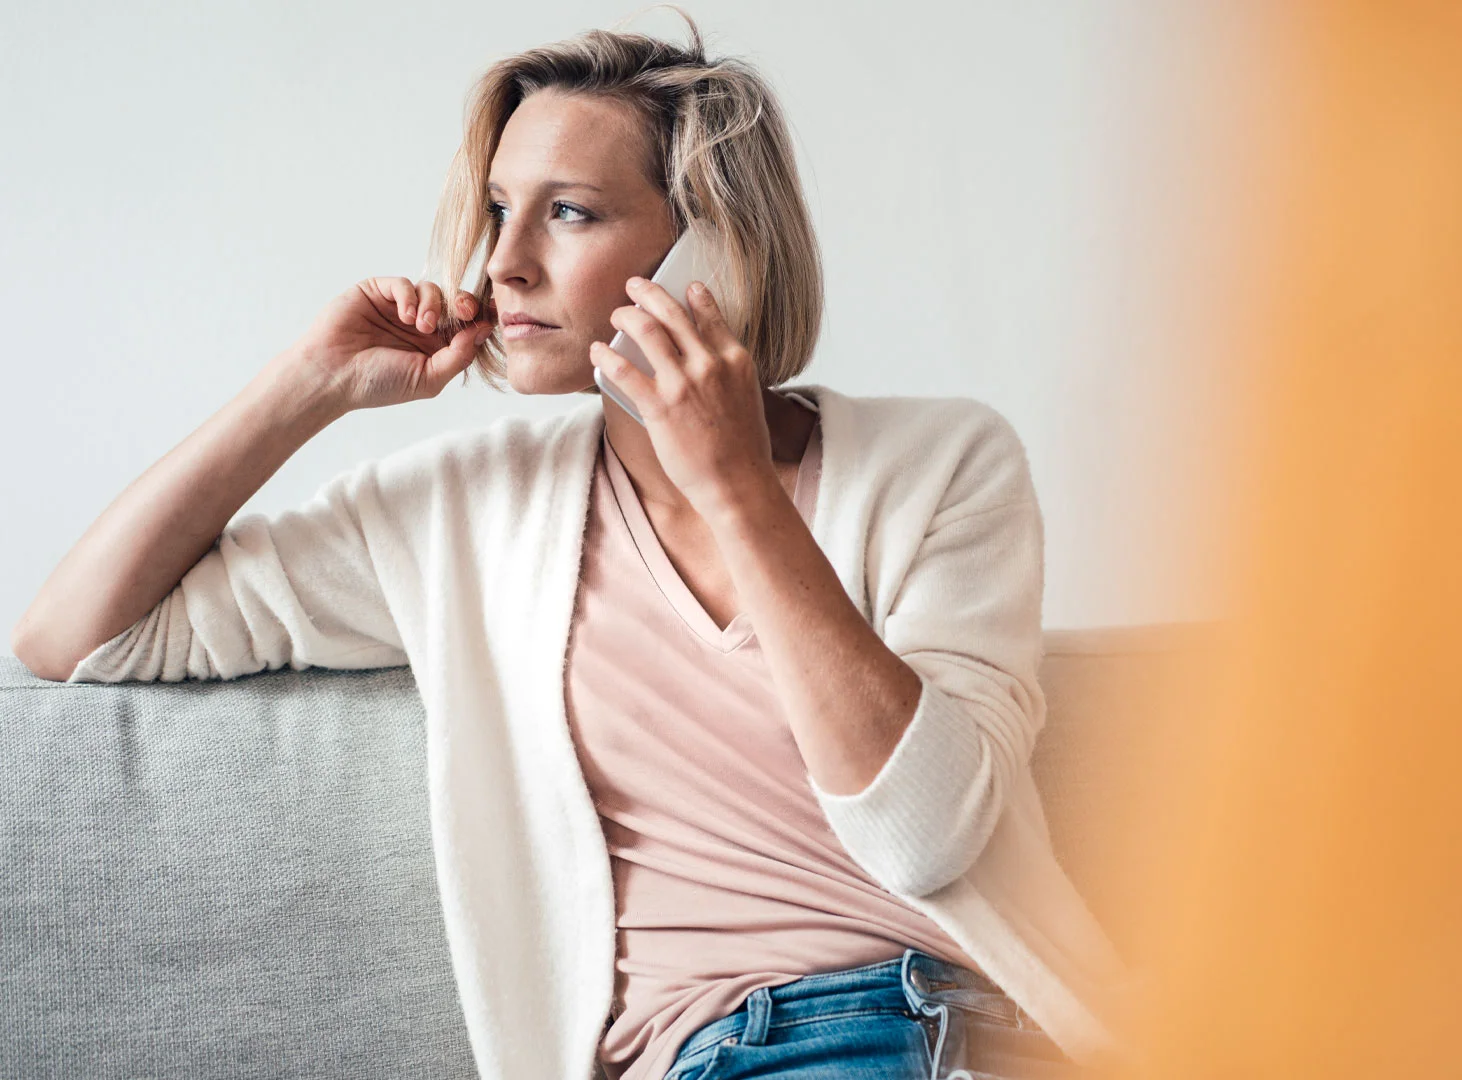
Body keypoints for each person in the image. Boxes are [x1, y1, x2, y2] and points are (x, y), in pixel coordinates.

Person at [10, 14, 1138, 1080]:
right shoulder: (462, 513)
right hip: (715, 1051)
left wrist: (737, 488)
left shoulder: (943, 464)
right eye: (500, 209)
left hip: (959, 1027)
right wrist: (302, 390)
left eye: (571, 213)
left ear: (714, 255)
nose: (503, 263)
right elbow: (79, 635)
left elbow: (929, 836)